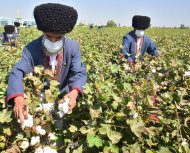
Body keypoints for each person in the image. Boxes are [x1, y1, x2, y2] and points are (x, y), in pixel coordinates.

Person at [6, 3, 87, 124]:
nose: (53, 41)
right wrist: (18, 96)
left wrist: (75, 91)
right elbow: (18, 71)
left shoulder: (73, 48)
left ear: (64, 34)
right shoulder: (31, 48)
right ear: (43, 32)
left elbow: (79, 72)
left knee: (58, 128)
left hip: (63, 98)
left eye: (58, 38)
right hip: (38, 98)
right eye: (49, 37)